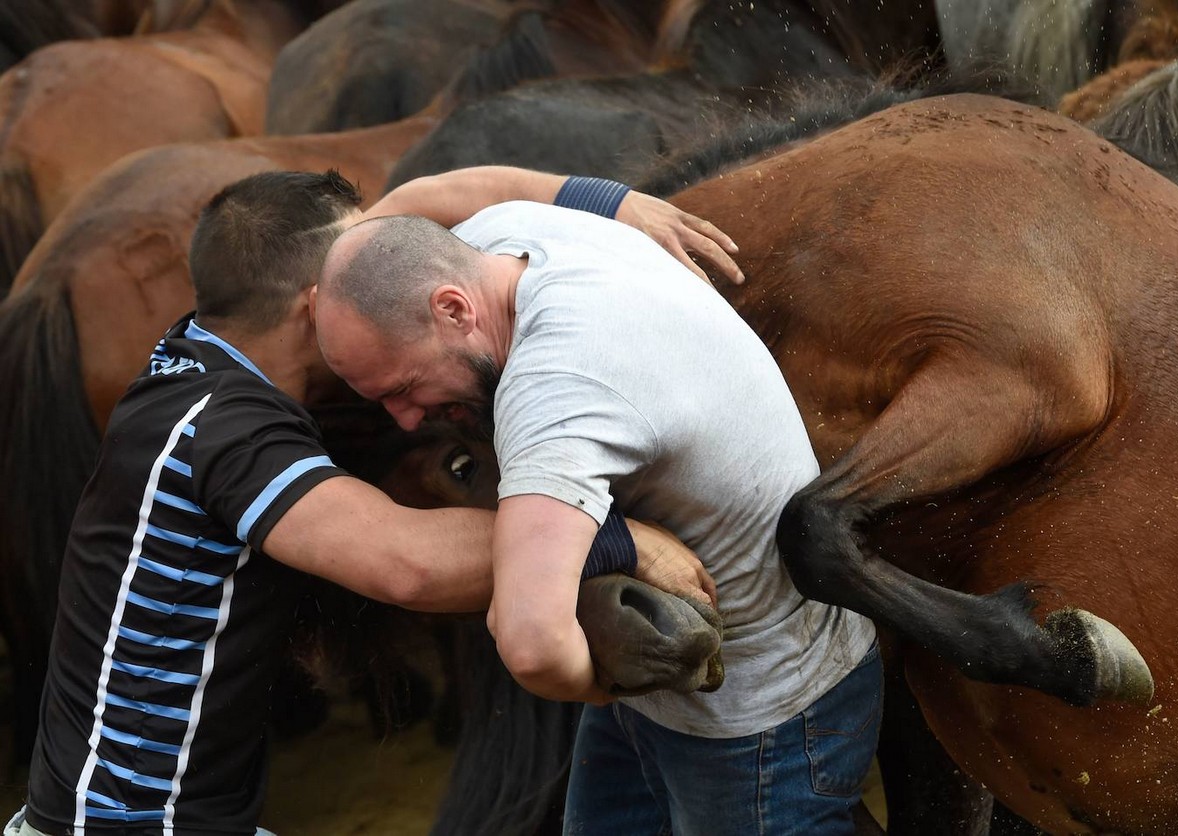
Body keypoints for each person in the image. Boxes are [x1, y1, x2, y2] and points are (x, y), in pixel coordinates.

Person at [8, 168, 737, 836]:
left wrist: (611, 202)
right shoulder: (228, 434)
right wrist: (621, 539)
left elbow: (434, 191)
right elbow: (403, 563)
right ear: (317, 306)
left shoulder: (195, 358)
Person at [313, 202, 882, 835]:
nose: (405, 420)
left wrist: (600, 690)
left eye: (402, 387)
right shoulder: (502, 235)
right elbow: (447, 186)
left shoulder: (556, 386)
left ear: (452, 309)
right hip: (667, 666)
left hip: (757, 711)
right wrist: (610, 197)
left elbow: (531, 644)